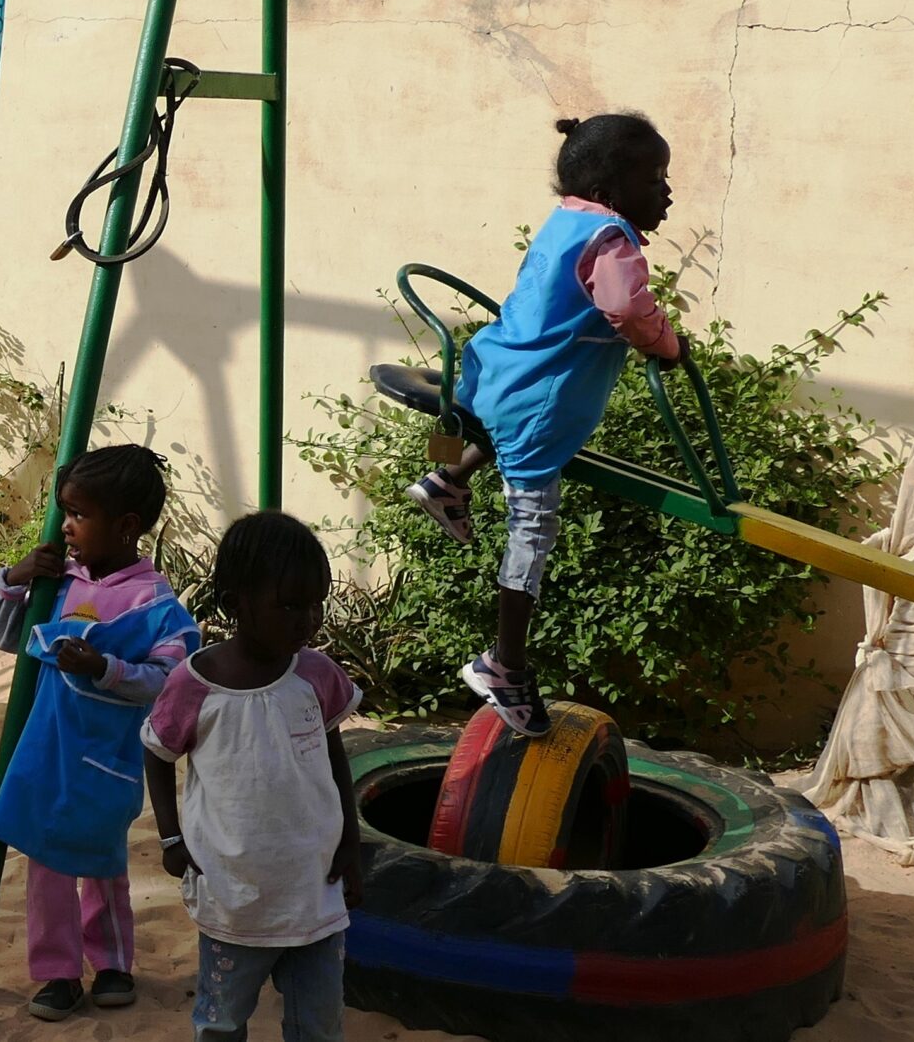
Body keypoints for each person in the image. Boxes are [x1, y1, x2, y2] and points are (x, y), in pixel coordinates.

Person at [407, 113, 682, 739]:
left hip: (494, 371)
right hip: (537, 401)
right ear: (611, 188)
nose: (667, 191)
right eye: (655, 178)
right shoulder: (612, 240)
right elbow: (626, 308)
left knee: (491, 432)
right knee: (533, 529)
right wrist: (668, 346)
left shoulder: (567, 220)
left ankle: (444, 478)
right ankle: (503, 664)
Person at [0, 444, 201, 1022]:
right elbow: (8, 637)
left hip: (105, 757)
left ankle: (111, 962)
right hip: (44, 749)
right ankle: (57, 972)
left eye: (79, 514)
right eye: (65, 512)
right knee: (45, 864)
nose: (66, 526)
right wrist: (14, 579)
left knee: (102, 861)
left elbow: (168, 680)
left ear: (126, 526)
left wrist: (105, 667)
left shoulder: (153, 603)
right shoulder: (59, 583)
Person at [143, 512, 363, 1042]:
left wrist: (351, 843)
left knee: (319, 1025)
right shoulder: (196, 684)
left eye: (315, 604)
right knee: (221, 1021)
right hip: (234, 894)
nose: (307, 620)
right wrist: (171, 838)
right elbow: (156, 751)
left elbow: (335, 758)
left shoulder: (317, 675)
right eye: (289, 606)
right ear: (234, 603)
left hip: (314, 887)